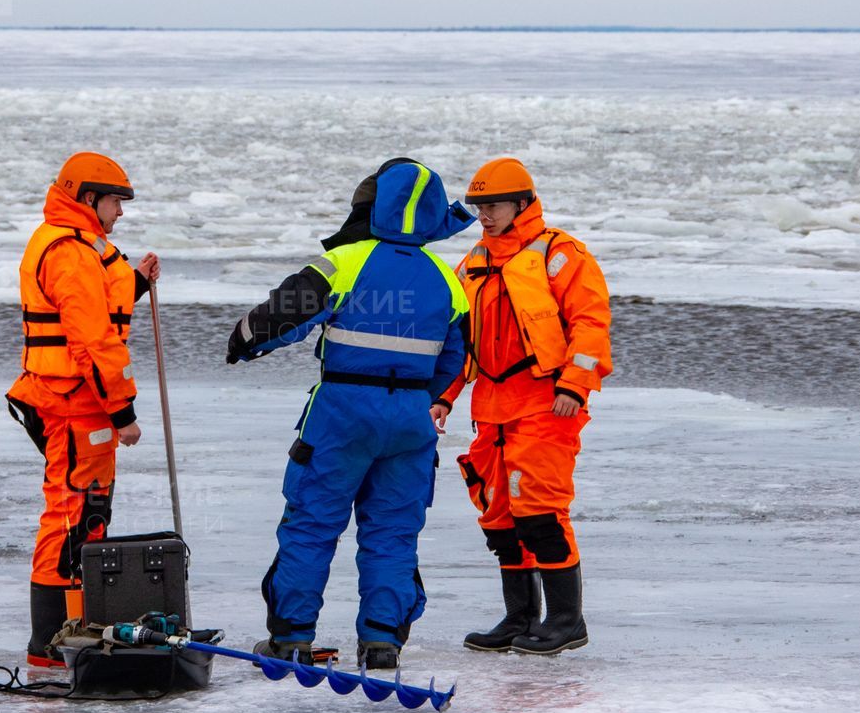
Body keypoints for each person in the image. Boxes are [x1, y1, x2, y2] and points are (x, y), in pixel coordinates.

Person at [224, 159, 472, 672]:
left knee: (312, 524)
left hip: (342, 414)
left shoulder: (347, 261)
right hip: (410, 421)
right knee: (392, 532)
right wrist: (417, 398)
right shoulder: (446, 279)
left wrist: (243, 343)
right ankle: (382, 642)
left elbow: (277, 318)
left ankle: (292, 639)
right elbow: (455, 361)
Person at [433, 156, 612, 654]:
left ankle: (565, 620)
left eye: (494, 205)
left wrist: (573, 386)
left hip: (545, 403)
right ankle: (519, 617)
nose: (485, 215)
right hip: (491, 406)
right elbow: (457, 342)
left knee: (541, 510)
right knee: (499, 515)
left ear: (522, 203)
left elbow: (590, 324)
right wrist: (444, 397)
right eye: (478, 206)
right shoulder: (472, 263)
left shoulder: (561, 253)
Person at [6, 152, 161, 667]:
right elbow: (92, 340)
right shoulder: (69, 252)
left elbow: (99, 301)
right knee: (73, 514)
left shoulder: (80, 244)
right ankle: (51, 639)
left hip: (77, 403)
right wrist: (124, 414)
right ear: (89, 199)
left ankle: (71, 622)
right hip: (74, 405)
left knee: (87, 512)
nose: (121, 213)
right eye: (116, 202)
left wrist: (136, 281)